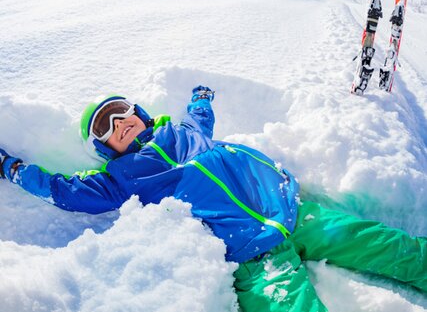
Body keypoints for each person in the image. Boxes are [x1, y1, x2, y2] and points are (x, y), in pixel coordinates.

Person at [0, 86, 426, 312]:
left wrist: (200, 98)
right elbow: (63, 191)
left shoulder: (183, 132)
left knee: (386, 245)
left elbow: (200, 115)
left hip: (291, 208)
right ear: (105, 148)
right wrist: (14, 169)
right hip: (251, 255)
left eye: (119, 110)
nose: (117, 122)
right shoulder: (122, 177)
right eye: (104, 127)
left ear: (140, 112)